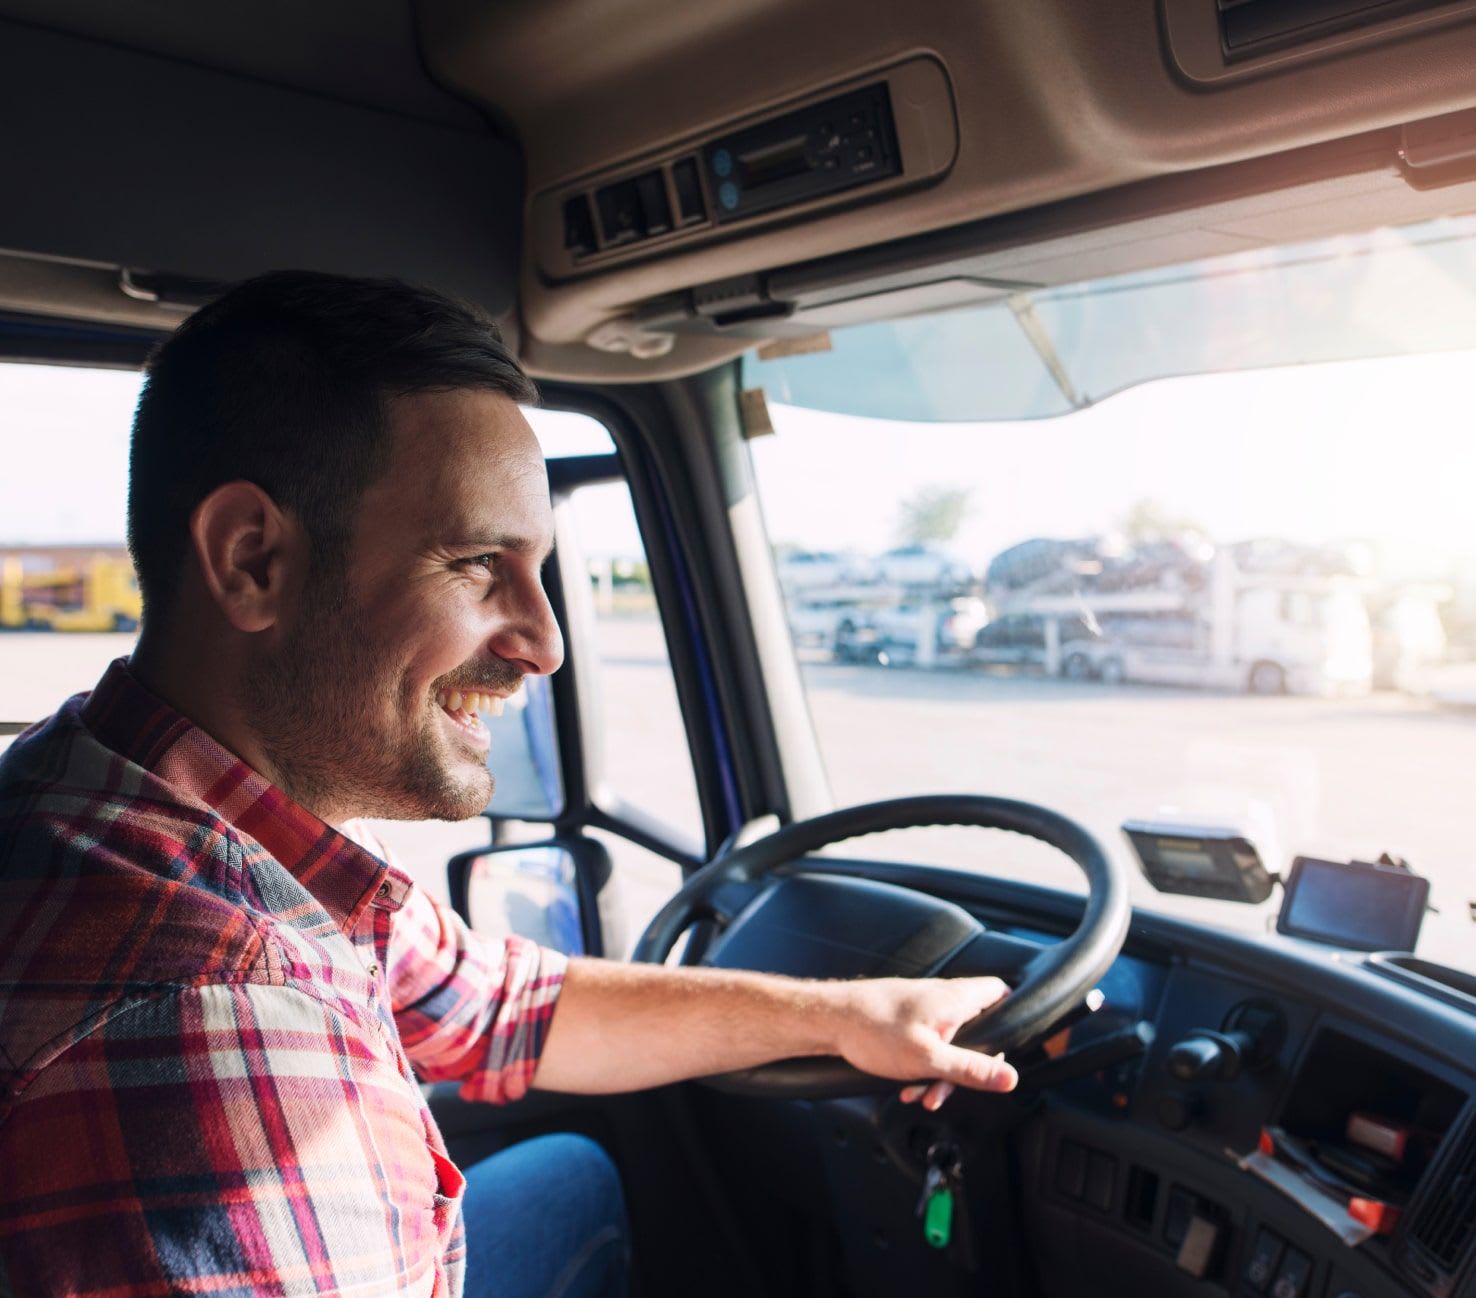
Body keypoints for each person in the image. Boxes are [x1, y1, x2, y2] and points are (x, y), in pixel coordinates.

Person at [0, 272, 1018, 1298]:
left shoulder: (131, 783)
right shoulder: (216, 1022)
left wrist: (844, 1016)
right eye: (480, 562)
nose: (546, 643)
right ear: (251, 558)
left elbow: (495, 1005)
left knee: (569, 1175)